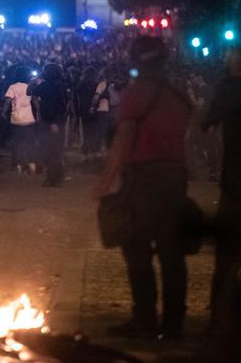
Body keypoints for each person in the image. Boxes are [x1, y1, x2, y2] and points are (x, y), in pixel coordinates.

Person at [93, 37, 192, 338]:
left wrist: (106, 180)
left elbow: (124, 138)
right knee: (172, 252)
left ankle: (145, 318)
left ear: (138, 61)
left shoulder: (137, 94)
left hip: (144, 179)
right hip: (175, 177)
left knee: (136, 249)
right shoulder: (179, 96)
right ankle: (174, 323)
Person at [202, 48, 241, 334]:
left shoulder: (229, 90)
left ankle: (218, 314)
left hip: (236, 182)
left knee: (226, 254)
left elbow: (205, 122)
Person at [29, 63, 67, 187]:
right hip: (46, 121)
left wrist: (55, 122)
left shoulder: (58, 86)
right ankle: (57, 175)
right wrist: (33, 82)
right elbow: (30, 92)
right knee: (46, 150)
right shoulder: (44, 85)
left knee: (53, 150)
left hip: (54, 121)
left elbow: (61, 105)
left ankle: (53, 177)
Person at [3, 66, 37, 174]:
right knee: (30, 142)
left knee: (17, 143)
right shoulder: (29, 87)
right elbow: (35, 101)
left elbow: (7, 101)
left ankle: (17, 164)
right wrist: (39, 114)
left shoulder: (12, 87)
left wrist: (3, 112)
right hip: (29, 118)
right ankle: (31, 163)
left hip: (16, 119)